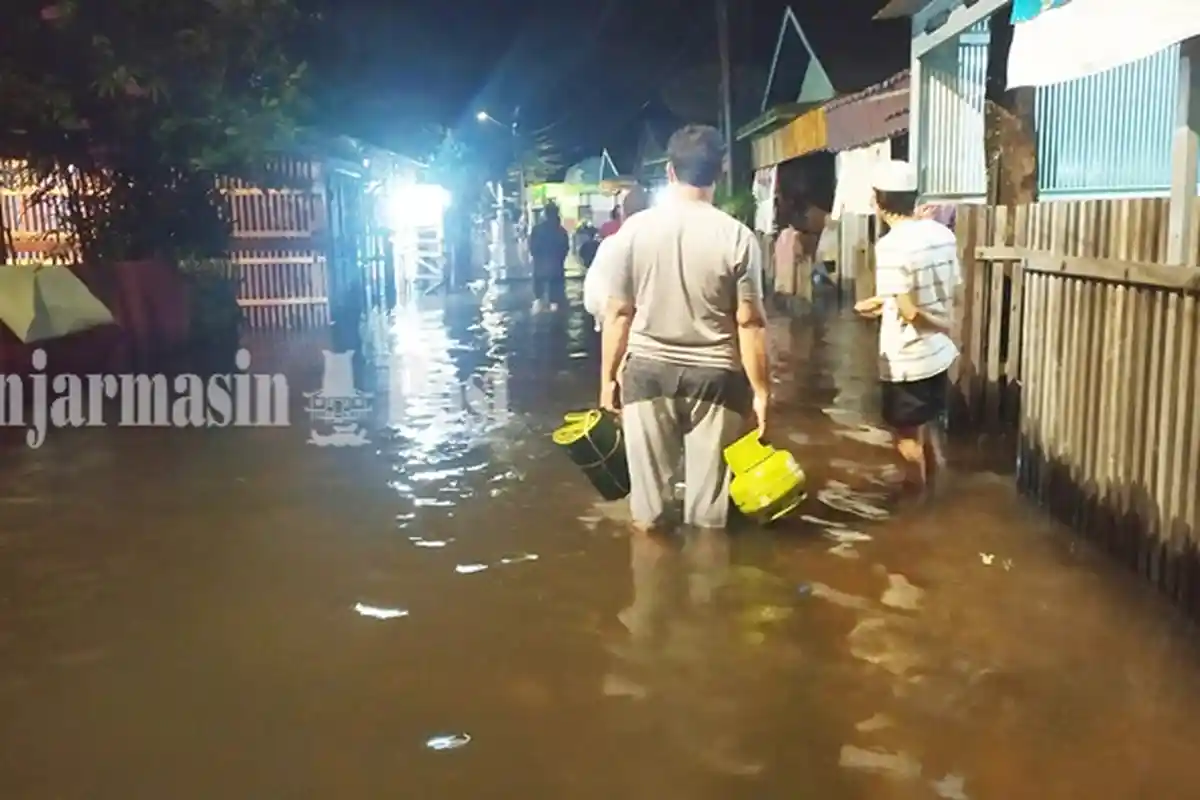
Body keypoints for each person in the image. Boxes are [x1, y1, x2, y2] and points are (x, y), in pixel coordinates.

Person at [594, 124, 770, 532]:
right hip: (716, 378)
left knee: (649, 511)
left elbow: (618, 313)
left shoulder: (634, 231)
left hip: (647, 374)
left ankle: (653, 589)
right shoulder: (739, 238)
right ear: (720, 172)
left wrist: (607, 380)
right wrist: (762, 391)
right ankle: (707, 587)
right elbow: (750, 322)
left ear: (671, 172)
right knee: (709, 514)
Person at [854, 160, 962, 488]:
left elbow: (910, 311)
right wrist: (882, 302)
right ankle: (935, 496)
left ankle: (916, 509)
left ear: (877, 199)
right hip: (938, 356)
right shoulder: (942, 235)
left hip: (908, 360)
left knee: (905, 439)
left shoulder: (891, 245)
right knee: (927, 429)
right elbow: (938, 288)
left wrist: (936, 323)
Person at [584, 186, 649, 330]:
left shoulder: (612, 245)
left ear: (623, 214)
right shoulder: (668, 243)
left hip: (620, 330)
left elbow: (592, 300)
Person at [529, 202, 569, 313]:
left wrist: (538, 259)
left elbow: (533, 248)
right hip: (557, 269)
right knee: (555, 302)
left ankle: (538, 307)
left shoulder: (537, 230)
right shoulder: (561, 231)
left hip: (540, 268)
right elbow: (565, 249)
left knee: (538, 299)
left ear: (545, 214)